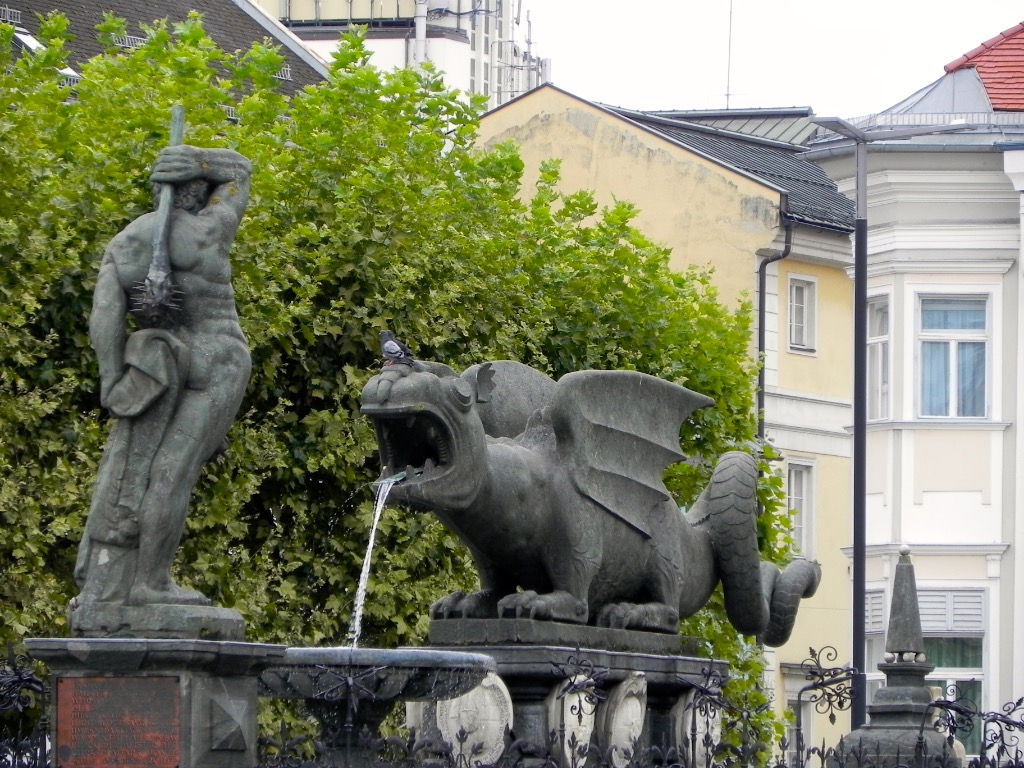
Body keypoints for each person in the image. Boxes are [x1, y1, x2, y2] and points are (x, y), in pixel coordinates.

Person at [74, 144, 251, 608]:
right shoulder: (209, 230)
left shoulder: (127, 242)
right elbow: (240, 171)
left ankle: (122, 581)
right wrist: (203, 161)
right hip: (218, 358)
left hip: (162, 362)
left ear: (157, 190)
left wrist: (113, 381)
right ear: (196, 191)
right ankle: (150, 583)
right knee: (174, 471)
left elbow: (105, 318)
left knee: (141, 467)